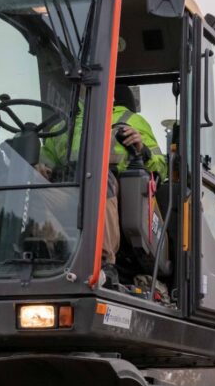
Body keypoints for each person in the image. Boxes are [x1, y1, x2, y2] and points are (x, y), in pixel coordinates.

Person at [40, 84, 167, 286]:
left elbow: (161, 167)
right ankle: (57, 250)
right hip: (68, 190)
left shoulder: (132, 121)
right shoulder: (61, 127)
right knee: (32, 188)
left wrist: (143, 150)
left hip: (113, 192)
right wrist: (40, 169)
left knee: (99, 177)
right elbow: (44, 163)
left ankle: (105, 262)